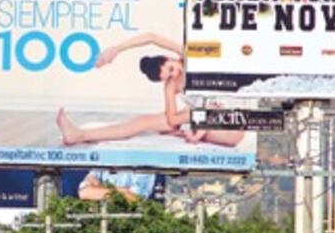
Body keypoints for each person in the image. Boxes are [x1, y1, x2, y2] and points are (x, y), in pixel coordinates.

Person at [56, 32, 245, 148]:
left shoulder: (189, 59)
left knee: (180, 117)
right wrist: (187, 119)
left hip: (231, 127)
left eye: (171, 68)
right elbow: (172, 119)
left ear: (170, 58)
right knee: (144, 121)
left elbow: (152, 37)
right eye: (168, 77)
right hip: (208, 122)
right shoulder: (171, 86)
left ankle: (195, 126)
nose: (174, 74)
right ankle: (79, 135)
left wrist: (118, 49)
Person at [78, 170, 156, 202]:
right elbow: (84, 192)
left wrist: (99, 190)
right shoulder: (104, 161)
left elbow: (134, 198)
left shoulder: (143, 164)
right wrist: (123, 191)